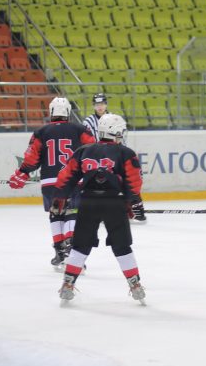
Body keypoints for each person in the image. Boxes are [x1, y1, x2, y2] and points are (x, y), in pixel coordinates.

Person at [53, 113, 147, 303]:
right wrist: (133, 201)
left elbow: (66, 176)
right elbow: (133, 182)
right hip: (114, 205)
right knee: (122, 246)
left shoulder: (83, 151)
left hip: (88, 203)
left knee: (80, 245)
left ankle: (68, 283)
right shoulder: (126, 153)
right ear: (116, 131)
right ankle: (134, 284)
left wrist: (61, 197)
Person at [9, 96, 97, 267]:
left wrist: (22, 172)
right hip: (72, 181)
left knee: (56, 213)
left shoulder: (41, 132)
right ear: (68, 112)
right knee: (72, 212)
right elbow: (92, 151)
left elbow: (32, 158)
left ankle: (59, 251)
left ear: (51, 112)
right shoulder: (80, 129)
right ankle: (71, 251)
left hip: (50, 182)